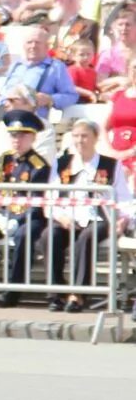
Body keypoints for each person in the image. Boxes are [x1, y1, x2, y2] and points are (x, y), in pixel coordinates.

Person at [45, 119, 127, 313]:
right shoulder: (62, 164)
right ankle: (55, 294)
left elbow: (123, 198)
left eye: (85, 136)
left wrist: (123, 219)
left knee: (86, 237)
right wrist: (61, 217)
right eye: (76, 136)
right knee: (50, 236)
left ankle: (79, 293)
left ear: (95, 138)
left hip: (99, 218)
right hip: (68, 217)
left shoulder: (111, 165)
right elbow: (50, 198)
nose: (80, 141)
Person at [0, 110, 52, 308]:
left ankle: (12, 291)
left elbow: (36, 202)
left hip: (29, 217)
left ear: (33, 137)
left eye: (23, 135)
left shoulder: (39, 165)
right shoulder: (6, 159)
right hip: (4, 215)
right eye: (14, 135)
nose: (17, 140)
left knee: (24, 236)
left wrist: (17, 219)